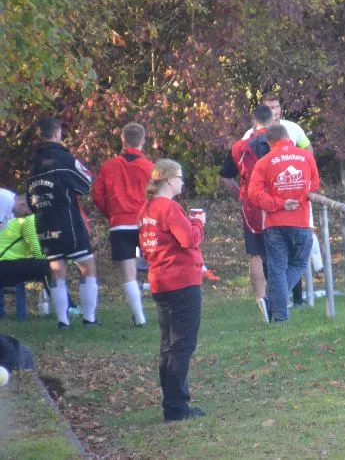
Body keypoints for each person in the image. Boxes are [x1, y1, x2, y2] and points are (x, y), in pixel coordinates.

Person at [138, 159, 206, 422]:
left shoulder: (146, 209)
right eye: (180, 177)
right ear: (168, 180)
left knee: (168, 345)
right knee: (181, 345)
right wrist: (198, 222)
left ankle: (172, 404)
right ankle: (177, 407)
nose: (182, 181)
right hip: (181, 281)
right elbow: (189, 239)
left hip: (160, 280)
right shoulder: (168, 207)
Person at [27, 116, 99, 328]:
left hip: (43, 223)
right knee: (87, 266)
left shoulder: (33, 163)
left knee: (57, 269)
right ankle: (89, 318)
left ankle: (62, 321)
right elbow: (86, 182)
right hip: (67, 221)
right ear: (57, 133)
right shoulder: (64, 158)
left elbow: (30, 201)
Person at [248, 123, 319, 323]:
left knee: (277, 268)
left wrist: (278, 204)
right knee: (299, 263)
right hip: (300, 220)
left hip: (274, 222)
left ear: (270, 143)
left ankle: (279, 315)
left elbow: (254, 194)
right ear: (288, 137)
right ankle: (275, 305)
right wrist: (298, 197)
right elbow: (314, 185)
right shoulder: (306, 156)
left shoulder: (264, 162)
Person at [92, 123, 153, 326]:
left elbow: (97, 195)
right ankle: (166, 308)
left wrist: (111, 213)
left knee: (129, 273)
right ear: (143, 141)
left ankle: (139, 317)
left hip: (120, 224)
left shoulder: (109, 166)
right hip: (145, 222)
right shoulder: (149, 167)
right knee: (158, 265)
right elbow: (157, 195)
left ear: (122, 140)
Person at [220, 105, 273, 322]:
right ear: (272, 121)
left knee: (256, 253)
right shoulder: (277, 143)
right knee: (277, 250)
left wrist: (240, 195)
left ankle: (261, 299)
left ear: (254, 122)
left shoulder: (239, 148)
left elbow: (226, 177)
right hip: (274, 203)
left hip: (251, 205)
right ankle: (279, 297)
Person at [0, 213, 50, 291]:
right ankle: (59, 296)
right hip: (4, 265)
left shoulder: (16, 218)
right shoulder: (28, 219)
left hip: (6, 264)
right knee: (50, 265)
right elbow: (38, 254)